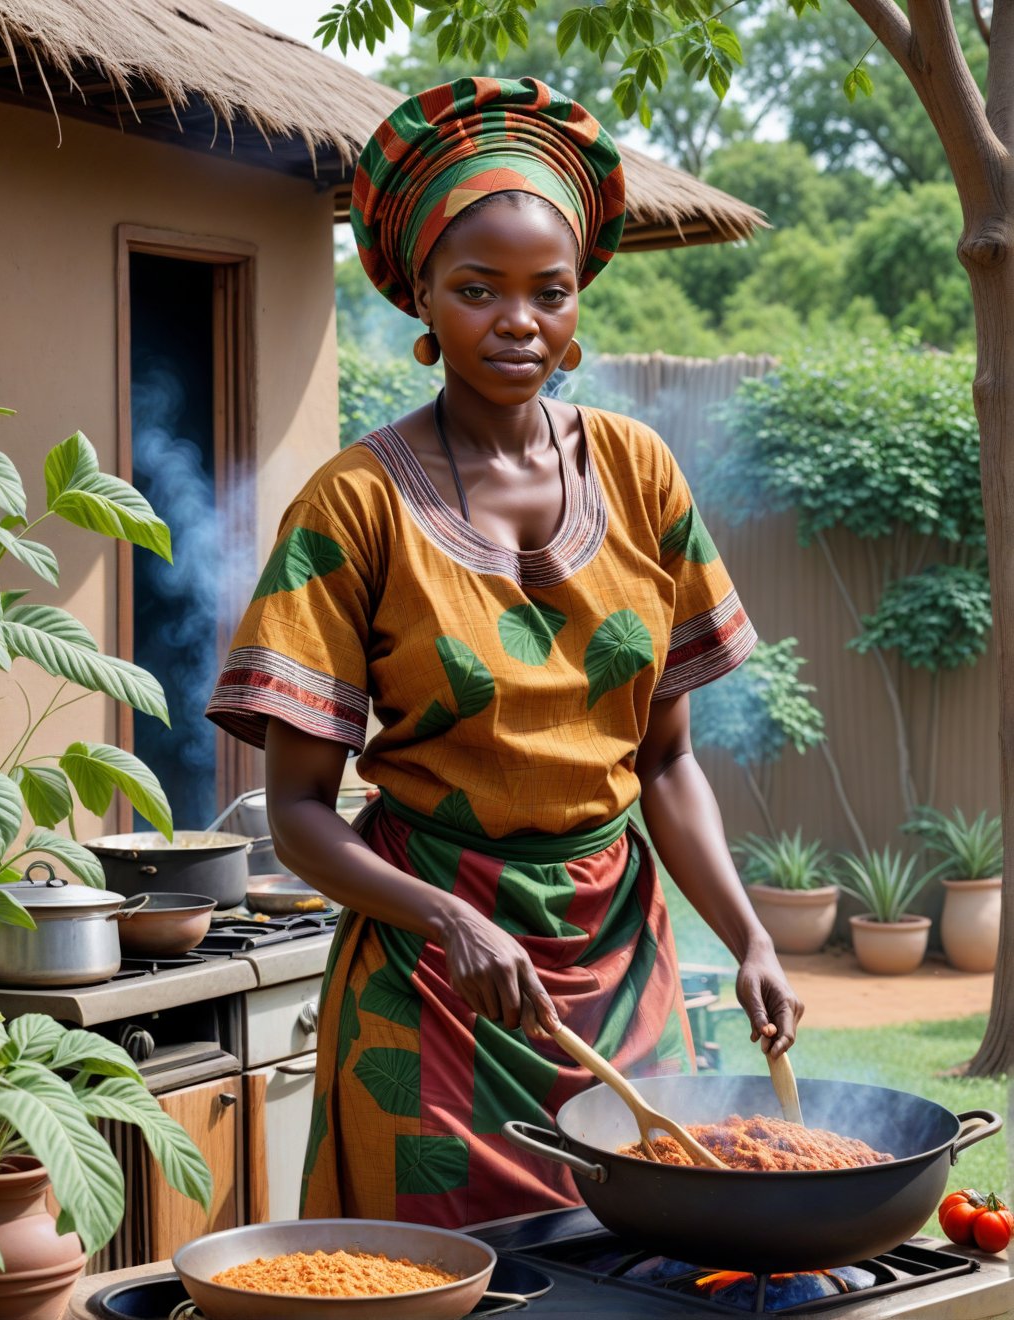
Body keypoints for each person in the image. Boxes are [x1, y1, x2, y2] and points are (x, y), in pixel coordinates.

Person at [206, 75, 803, 1229]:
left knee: (651, 1267)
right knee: (432, 1290)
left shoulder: (640, 474)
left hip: (627, 968)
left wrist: (750, 934)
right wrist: (450, 917)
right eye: (478, 290)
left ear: (581, 302)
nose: (517, 321)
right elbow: (297, 815)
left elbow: (667, 762)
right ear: (420, 296)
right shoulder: (355, 504)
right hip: (431, 996)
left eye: (550, 290)